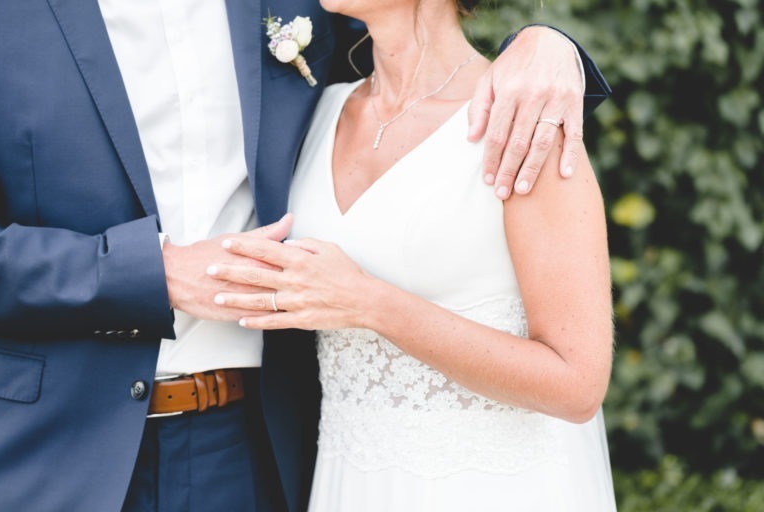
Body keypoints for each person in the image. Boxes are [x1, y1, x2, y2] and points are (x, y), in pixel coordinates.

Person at [0, 1, 609, 511]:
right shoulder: (335, 112)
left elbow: (425, 39)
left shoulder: (299, 16)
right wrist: (146, 272)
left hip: (260, 450)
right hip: (59, 451)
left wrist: (548, 44)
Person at [211, 0, 616, 510]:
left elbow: (577, 384)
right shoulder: (319, 109)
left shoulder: (524, 123)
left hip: (490, 489)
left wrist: (370, 303)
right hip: (349, 483)